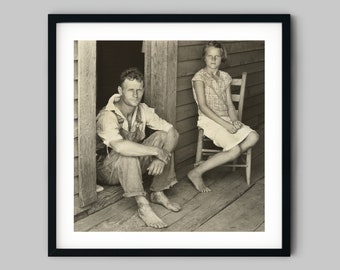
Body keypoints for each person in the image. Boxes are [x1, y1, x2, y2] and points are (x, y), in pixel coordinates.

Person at [96, 67, 181, 229]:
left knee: (163, 136)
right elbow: (120, 147)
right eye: (130, 90)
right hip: (107, 169)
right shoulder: (107, 115)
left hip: (132, 166)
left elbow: (173, 133)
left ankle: (157, 192)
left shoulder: (143, 110)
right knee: (127, 151)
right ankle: (143, 206)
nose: (136, 95)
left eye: (139, 90)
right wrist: (157, 152)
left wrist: (162, 158)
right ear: (120, 90)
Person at [187, 41, 259, 193]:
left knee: (253, 137)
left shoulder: (225, 77)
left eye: (217, 56)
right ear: (204, 58)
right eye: (210, 56)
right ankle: (196, 172)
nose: (213, 60)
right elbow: (203, 107)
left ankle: (214, 160)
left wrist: (234, 121)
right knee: (234, 151)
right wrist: (226, 125)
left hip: (226, 118)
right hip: (209, 120)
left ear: (222, 58)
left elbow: (229, 104)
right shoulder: (199, 78)